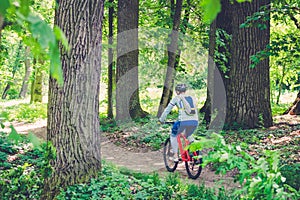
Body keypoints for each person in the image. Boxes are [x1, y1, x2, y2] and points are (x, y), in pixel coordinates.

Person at [159, 83, 199, 162]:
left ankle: (175, 155)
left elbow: (167, 110)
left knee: (173, 135)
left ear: (177, 91)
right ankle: (196, 153)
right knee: (188, 135)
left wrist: (161, 120)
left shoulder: (176, 98)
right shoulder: (192, 98)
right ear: (185, 90)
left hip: (183, 122)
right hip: (195, 121)